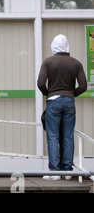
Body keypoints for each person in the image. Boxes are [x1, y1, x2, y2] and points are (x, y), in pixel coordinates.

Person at [38, 34, 87, 180]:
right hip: (70, 102)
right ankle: (67, 171)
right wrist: (71, 94)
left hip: (53, 101)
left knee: (52, 136)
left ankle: (54, 172)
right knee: (68, 136)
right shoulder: (76, 63)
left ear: (53, 46)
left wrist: (49, 95)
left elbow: (40, 83)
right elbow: (83, 86)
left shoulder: (48, 62)